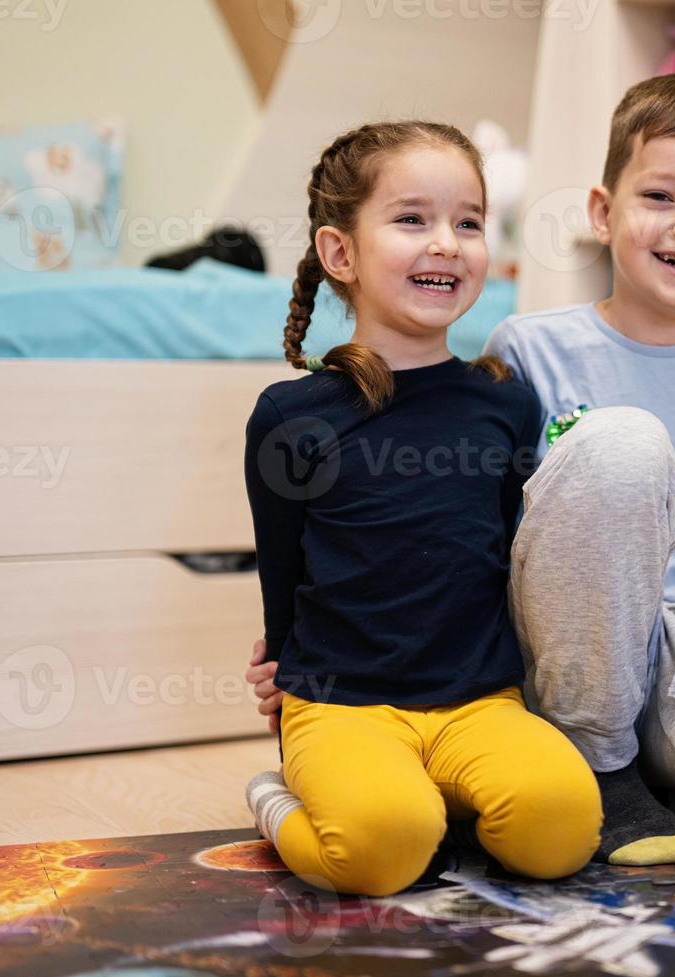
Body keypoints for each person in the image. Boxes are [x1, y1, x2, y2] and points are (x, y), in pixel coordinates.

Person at [242, 121, 600, 896]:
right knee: (382, 851)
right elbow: (282, 568)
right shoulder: (290, 416)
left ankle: (433, 796)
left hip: (480, 699)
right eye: (412, 220)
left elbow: (512, 556)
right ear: (342, 254)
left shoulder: (506, 399)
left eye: (468, 222)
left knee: (563, 829)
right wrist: (280, 669)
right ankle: (281, 803)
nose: (447, 242)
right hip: (342, 704)